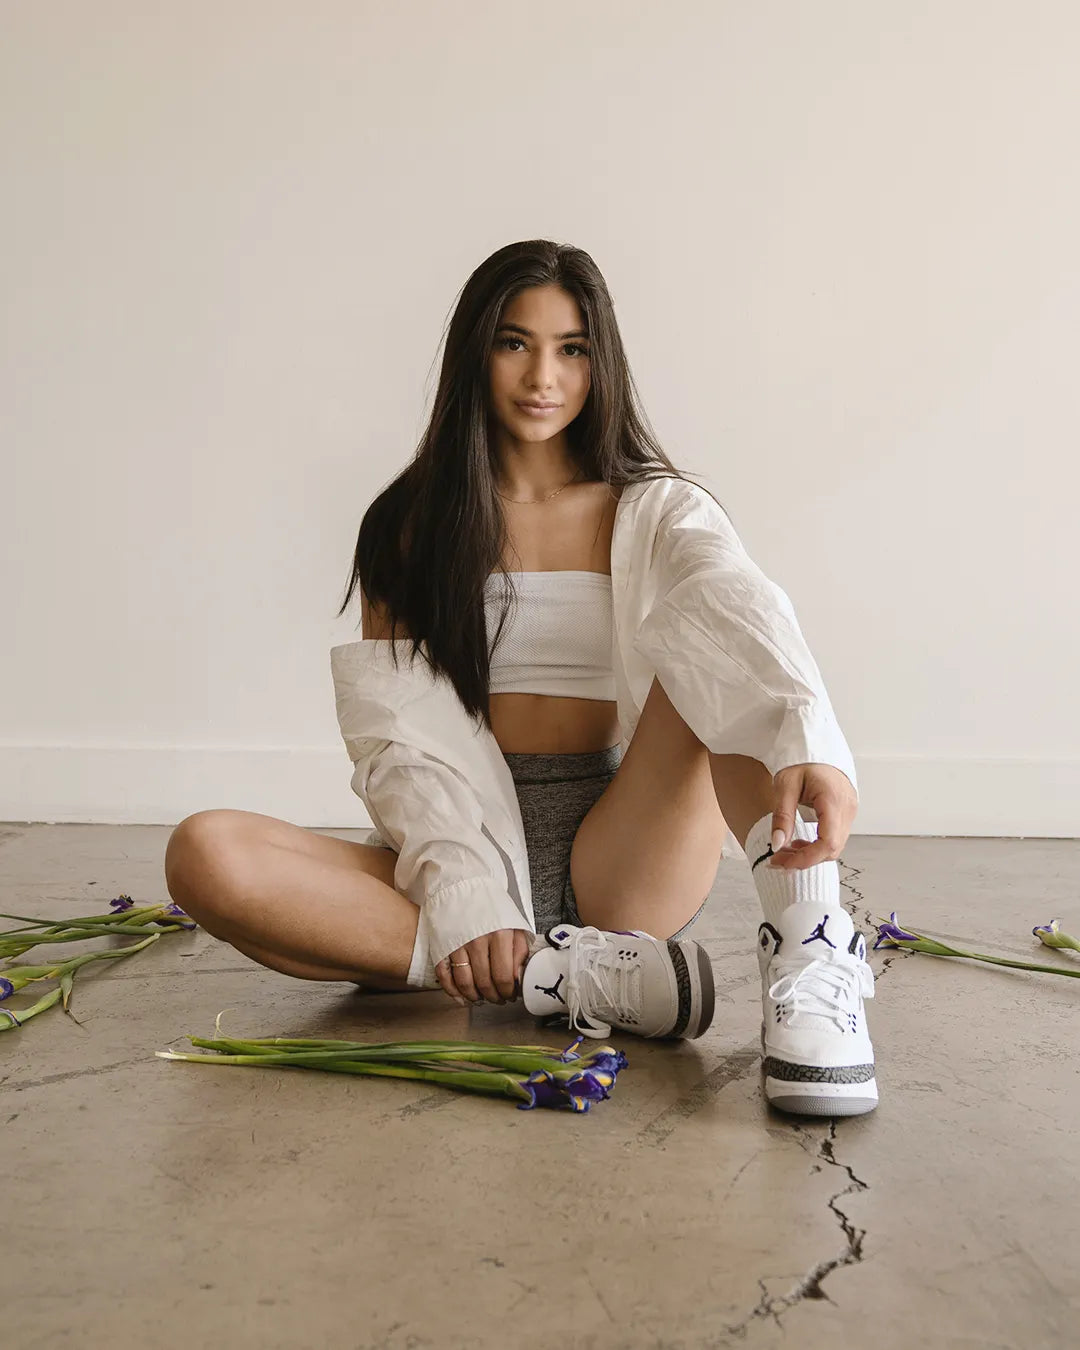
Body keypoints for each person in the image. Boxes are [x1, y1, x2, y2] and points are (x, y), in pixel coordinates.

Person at [165, 239, 876, 1117]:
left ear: (598, 363)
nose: (544, 375)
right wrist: (463, 893)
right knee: (206, 851)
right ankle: (562, 977)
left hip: (624, 851)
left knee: (712, 645)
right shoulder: (411, 525)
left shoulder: (656, 509)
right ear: (476, 352)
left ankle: (810, 943)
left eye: (572, 348)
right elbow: (399, 736)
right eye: (515, 342)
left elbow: (738, 612)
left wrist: (810, 738)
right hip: (459, 834)